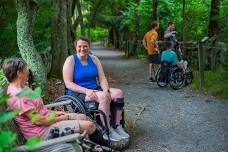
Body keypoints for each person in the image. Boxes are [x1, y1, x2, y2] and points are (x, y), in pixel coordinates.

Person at [3, 58, 96, 140]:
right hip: (42, 133)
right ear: (19, 73)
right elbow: (39, 120)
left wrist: (55, 113)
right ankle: (102, 145)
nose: (28, 70)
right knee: (89, 126)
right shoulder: (18, 96)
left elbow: (39, 110)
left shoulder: (23, 88)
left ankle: (96, 145)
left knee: (83, 117)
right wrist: (63, 118)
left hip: (47, 122)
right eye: (26, 69)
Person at [62, 36, 129, 142]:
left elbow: (102, 78)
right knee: (103, 97)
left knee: (118, 93)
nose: (82, 49)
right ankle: (107, 129)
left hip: (94, 89)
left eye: (85, 46)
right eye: (79, 46)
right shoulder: (70, 60)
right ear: (75, 47)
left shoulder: (94, 59)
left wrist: (106, 90)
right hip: (77, 93)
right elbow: (68, 83)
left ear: (89, 47)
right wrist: (87, 91)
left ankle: (117, 126)